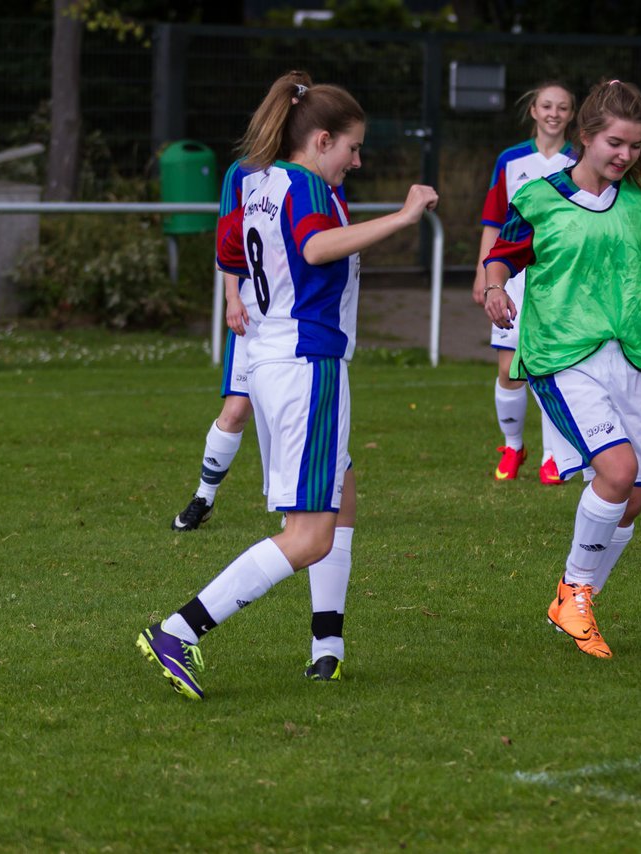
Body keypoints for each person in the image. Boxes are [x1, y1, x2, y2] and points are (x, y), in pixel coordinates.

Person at [137, 72, 438, 699]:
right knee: (309, 535)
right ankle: (178, 630)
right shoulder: (304, 185)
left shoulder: (261, 182)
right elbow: (318, 247)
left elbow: (236, 252)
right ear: (322, 139)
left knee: (341, 492)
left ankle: (327, 647)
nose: (357, 161)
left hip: (271, 358)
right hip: (305, 363)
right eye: (352, 148)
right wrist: (403, 216)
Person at [483, 79, 641, 658]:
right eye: (615, 143)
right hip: (561, 357)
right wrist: (493, 288)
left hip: (626, 359)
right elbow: (501, 256)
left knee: (631, 499)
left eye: (635, 147)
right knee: (617, 471)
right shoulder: (539, 198)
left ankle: (573, 599)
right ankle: (575, 594)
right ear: (584, 136)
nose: (625, 156)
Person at [472, 82, 578, 484]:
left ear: (572, 114)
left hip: (559, 281)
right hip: (512, 278)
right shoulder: (511, 160)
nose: (554, 113)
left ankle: (555, 455)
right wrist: (485, 274)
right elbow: (494, 220)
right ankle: (513, 446)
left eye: (562, 107)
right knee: (509, 370)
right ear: (533, 110)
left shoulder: (580, 159)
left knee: (553, 367)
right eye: (547, 106)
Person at [170, 150, 265, 532]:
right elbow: (229, 238)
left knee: (294, 413)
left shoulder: (315, 173)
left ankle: (302, 507)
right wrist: (232, 296)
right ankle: (203, 498)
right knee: (236, 411)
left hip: (297, 316)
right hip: (254, 310)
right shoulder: (242, 171)